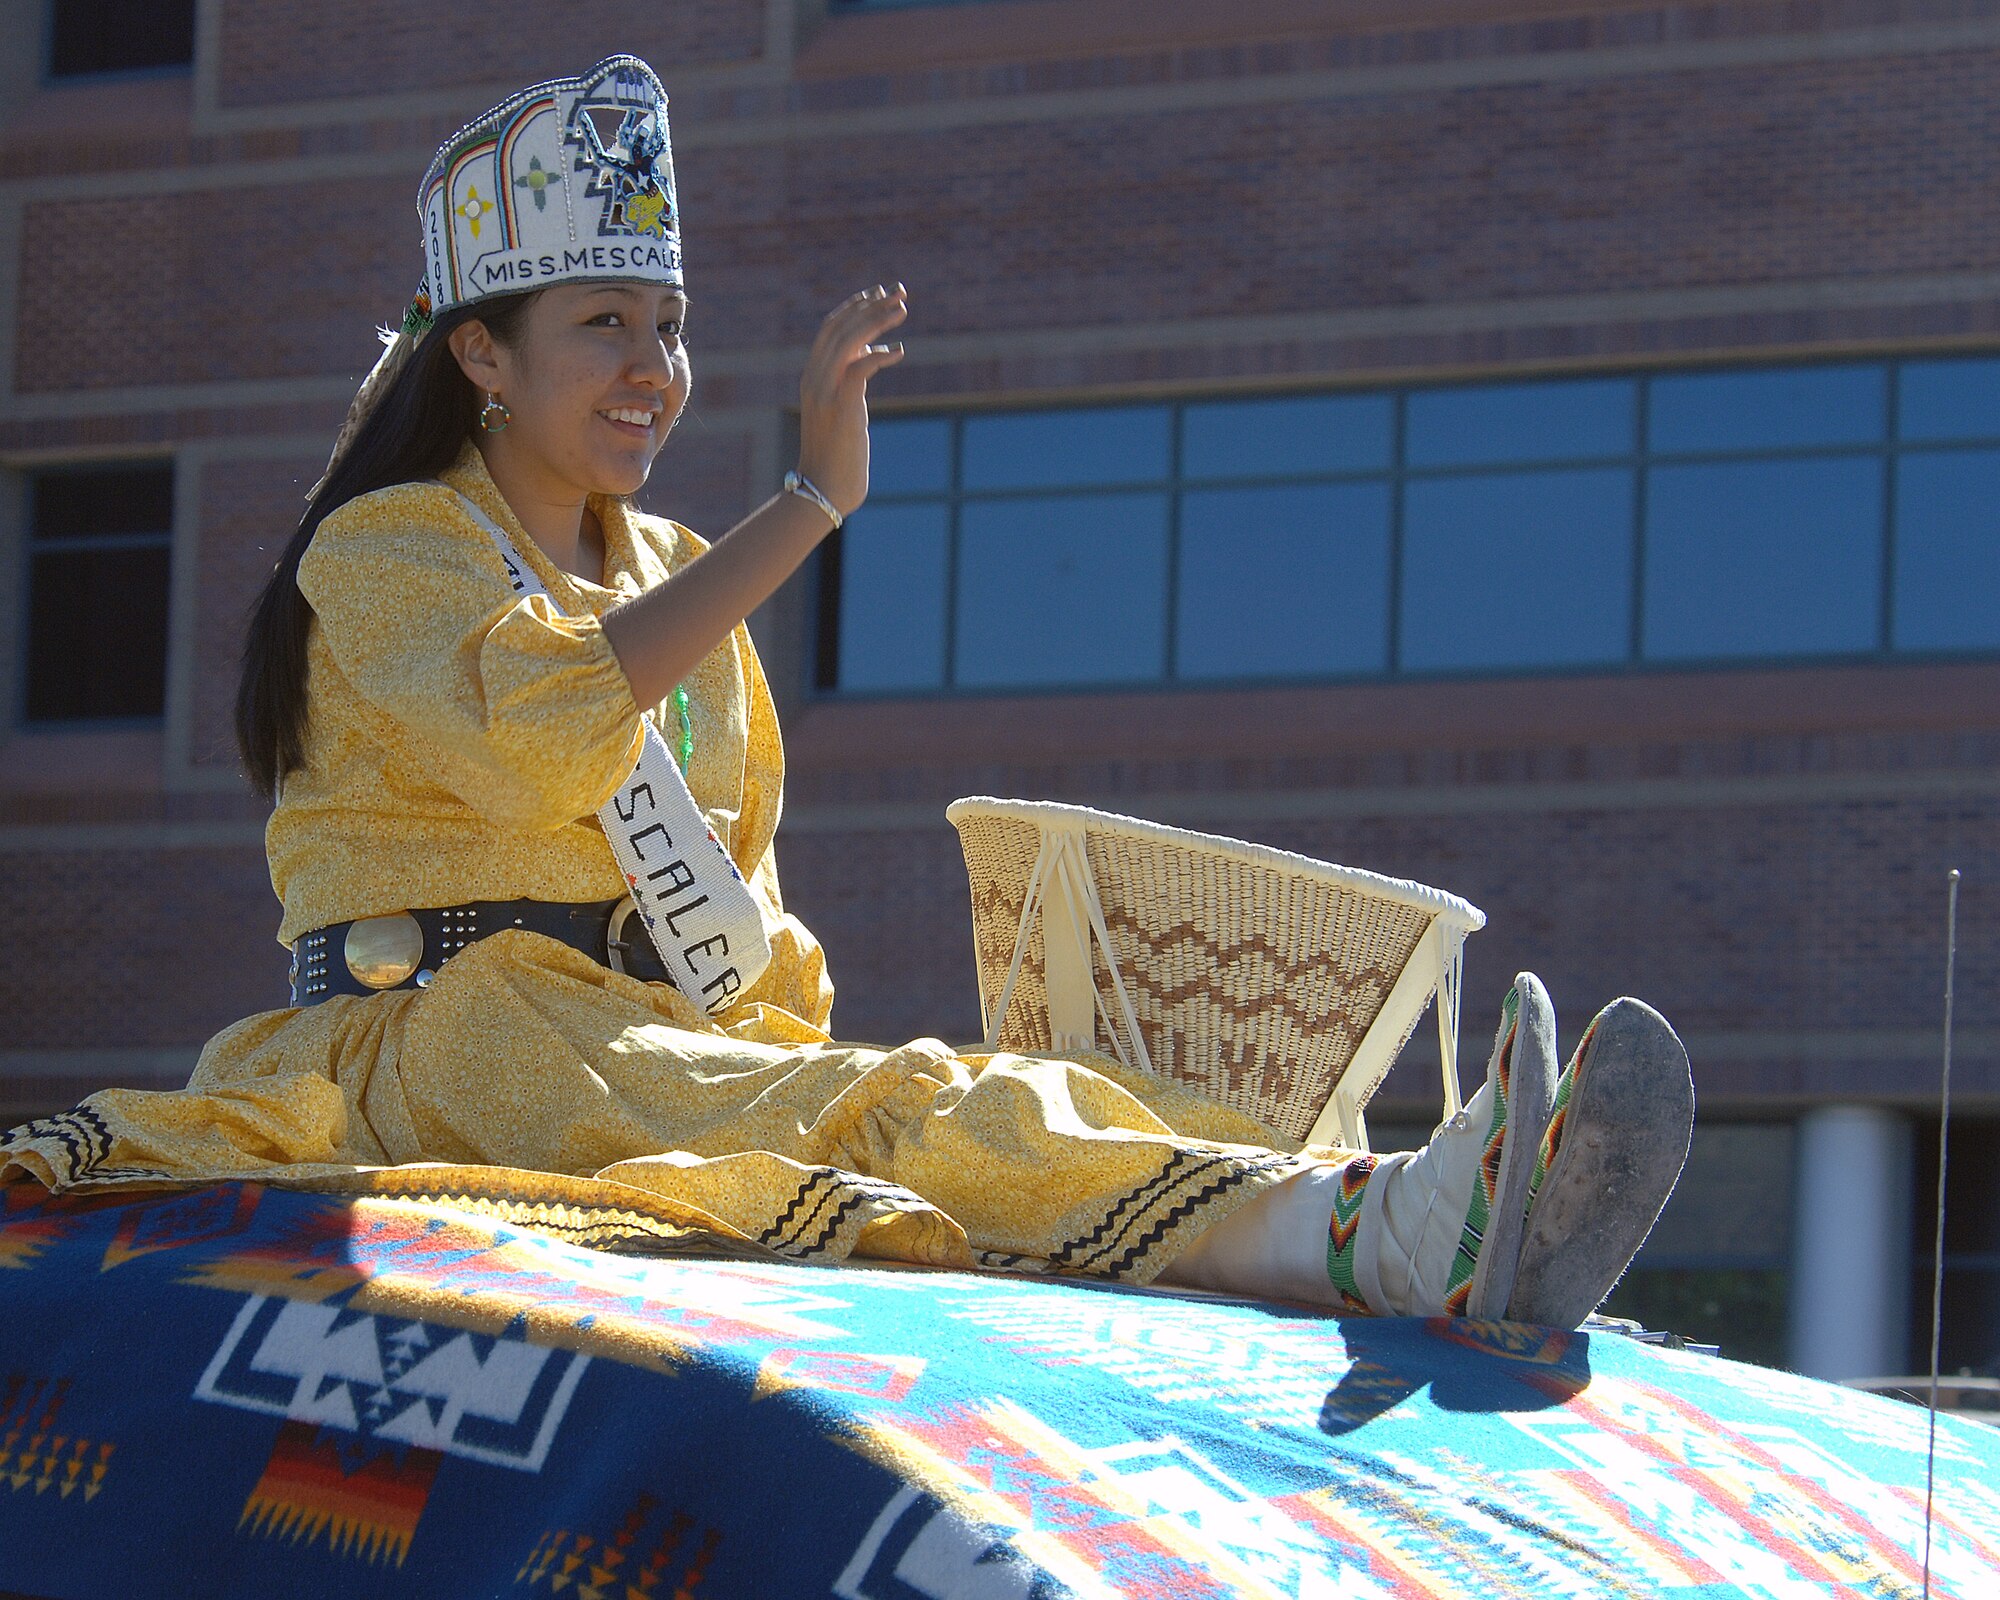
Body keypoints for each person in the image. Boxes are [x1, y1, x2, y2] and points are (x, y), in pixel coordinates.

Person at [0, 56, 1692, 1328]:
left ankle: (1398, 1203)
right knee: (901, 1108)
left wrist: (770, 1058)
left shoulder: (678, 577)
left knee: (936, 1092)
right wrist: (806, 506)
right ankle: (1383, 1246)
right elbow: (534, 733)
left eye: (670, 326)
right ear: (481, 356)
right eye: (605, 325)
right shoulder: (383, 552)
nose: (656, 371)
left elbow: (740, 916)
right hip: (443, 1041)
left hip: (649, 1044)